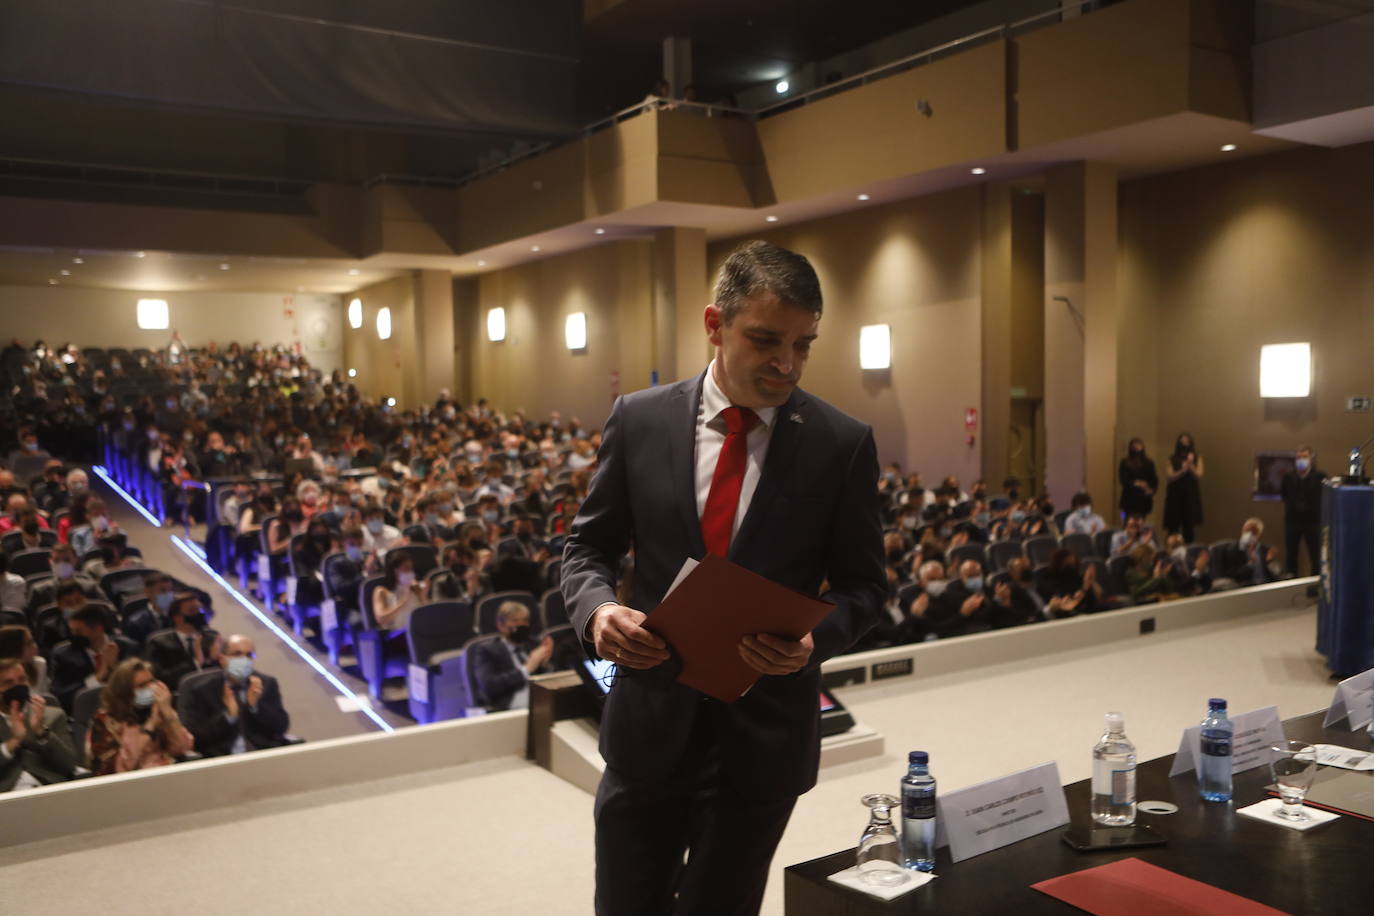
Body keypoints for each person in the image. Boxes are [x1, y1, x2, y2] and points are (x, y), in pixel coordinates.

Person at [561, 240, 885, 915]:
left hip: (762, 738)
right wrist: (598, 613)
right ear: (715, 325)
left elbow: (866, 588)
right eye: (766, 340)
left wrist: (811, 644)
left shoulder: (841, 443)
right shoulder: (640, 419)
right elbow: (587, 548)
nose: (786, 364)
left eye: (804, 345)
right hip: (648, 720)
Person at [179, 635, 290, 756]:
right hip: (222, 759)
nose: (244, 660)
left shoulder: (266, 683)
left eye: (249, 655)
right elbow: (196, 737)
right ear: (222, 659)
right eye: (237, 654)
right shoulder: (202, 689)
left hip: (263, 755)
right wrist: (228, 716)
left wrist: (255, 707)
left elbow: (281, 726)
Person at [87, 658, 194, 776]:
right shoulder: (106, 720)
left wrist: (168, 714)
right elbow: (121, 768)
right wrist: (150, 726)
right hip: (130, 783)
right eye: (142, 685)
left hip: (165, 773)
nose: (150, 688)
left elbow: (182, 748)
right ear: (125, 691)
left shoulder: (158, 707)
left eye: (151, 682)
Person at [0, 656, 77, 791]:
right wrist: (13, 741)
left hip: (48, 790)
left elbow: (69, 765)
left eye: (22, 680)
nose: (17, 686)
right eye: (8, 683)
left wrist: (41, 733)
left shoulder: (53, 715)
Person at [50, 604, 141, 712]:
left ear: (98, 629)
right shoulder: (63, 655)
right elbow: (61, 696)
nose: (73, 636)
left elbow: (140, 685)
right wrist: (98, 676)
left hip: (128, 708)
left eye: (78, 631)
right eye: (72, 631)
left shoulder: (127, 647)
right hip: (88, 712)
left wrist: (114, 667)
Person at [471, 602, 554, 711]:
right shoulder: (487, 650)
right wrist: (526, 669)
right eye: (515, 621)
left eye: (525, 621)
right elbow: (489, 686)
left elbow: (550, 680)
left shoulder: (534, 644)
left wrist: (545, 662)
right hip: (510, 710)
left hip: (542, 705)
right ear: (501, 625)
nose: (522, 625)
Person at [146, 594, 220, 690]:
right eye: (192, 611)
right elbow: (162, 678)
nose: (199, 614)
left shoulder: (211, 637)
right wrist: (195, 662)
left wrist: (213, 660)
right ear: (178, 618)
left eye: (200, 610)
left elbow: (222, 672)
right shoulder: (158, 642)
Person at [1280, 446, 1325, 576]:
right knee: (1291, 555)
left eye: (1304, 457)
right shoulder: (1288, 477)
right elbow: (1284, 495)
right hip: (1293, 521)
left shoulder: (1320, 477)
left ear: (1311, 459)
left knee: (1315, 555)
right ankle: (1290, 581)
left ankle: (1315, 583)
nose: (1301, 460)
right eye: (1298, 457)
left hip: (1312, 522)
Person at [372, 551, 428, 632]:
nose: (410, 572)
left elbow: (425, 615)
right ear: (394, 570)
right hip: (397, 636)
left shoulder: (415, 588)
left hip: (419, 631)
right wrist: (402, 602)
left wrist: (423, 595)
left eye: (411, 568)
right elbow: (381, 619)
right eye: (406, 568)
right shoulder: (381, 591)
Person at [1163, 433, 1204, 543]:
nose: (1185, 443)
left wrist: (1190, 466)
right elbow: (1169, 476)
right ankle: (1171, 549)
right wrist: (1182, 470)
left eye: (1187, 441)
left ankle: (1189, 550)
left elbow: (1199, 474)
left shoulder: (1197, 457)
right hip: (1175, 495)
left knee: (1189, 527)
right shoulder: (1172, 458)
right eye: (1182, 441)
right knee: (1173, 527)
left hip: (1190, 495)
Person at [0, 625, 49, 696]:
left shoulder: (39, 664)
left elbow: (43, 696)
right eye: (28, 643)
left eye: (33, 641)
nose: (35, 646)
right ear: (13, 648)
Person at [1118, 438, 1158, 521]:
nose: (1137, 447)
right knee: (1126, 520)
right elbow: (1123, 479)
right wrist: (1137, 483)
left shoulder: (1149, 463)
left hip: (1143, 498)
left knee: (1141, 522)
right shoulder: (1125, 462)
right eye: (1134, 445)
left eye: (1139, 444)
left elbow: (1154, 479)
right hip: (1129, 497)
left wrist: (1151, 490)